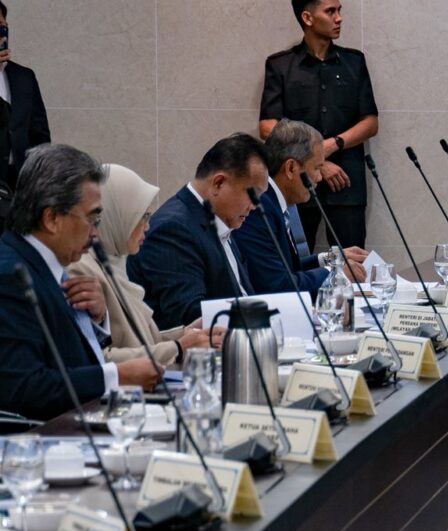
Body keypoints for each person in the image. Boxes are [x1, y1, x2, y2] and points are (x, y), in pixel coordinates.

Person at [0, 146, 158, 422]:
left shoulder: (45, 265)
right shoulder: (11, 276)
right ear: (52, 219)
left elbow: (64, 355)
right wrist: (117, 376)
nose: (95, 232)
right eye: (92, 219)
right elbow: (25, 388)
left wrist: (96, 320)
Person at [258, 0, 379, 252]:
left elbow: (370, 123)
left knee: (353, 264)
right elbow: (267, 127)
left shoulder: (354, 62)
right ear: (308, 18)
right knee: (294, 260)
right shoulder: (280, 65)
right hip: (297, 181)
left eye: (339, 10)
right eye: (330, 11)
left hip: (346, 183)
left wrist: (330, 146)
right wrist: (316, 160)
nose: (339, 18)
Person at [67, 163, 222, 368]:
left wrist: (185, 334)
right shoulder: (81, 269)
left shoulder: (115, 262)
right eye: (142, 216)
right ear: (116, 214)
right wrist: (179, 347)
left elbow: (142, 342)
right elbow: (98, 358)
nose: (147, 226)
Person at [129, 132, 269, 329]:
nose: (254, 206)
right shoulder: (173, 229)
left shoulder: (219, 220)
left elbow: (241, 293)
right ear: (218, 183)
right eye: (253, 194)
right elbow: (189, 316)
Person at [235, 119, 367, 294]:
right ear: (291, 168)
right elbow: (278, 286)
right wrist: (335, 274)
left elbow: (287, 268)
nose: (319, 178)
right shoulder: (259, 209)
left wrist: (330, 259)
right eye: (317, 168)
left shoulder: (274, 201)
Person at [0, 0, 53, 210]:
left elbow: (40, 134)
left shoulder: (24, 77)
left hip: (20, 185)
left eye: (2, 26)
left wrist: (39, 180)